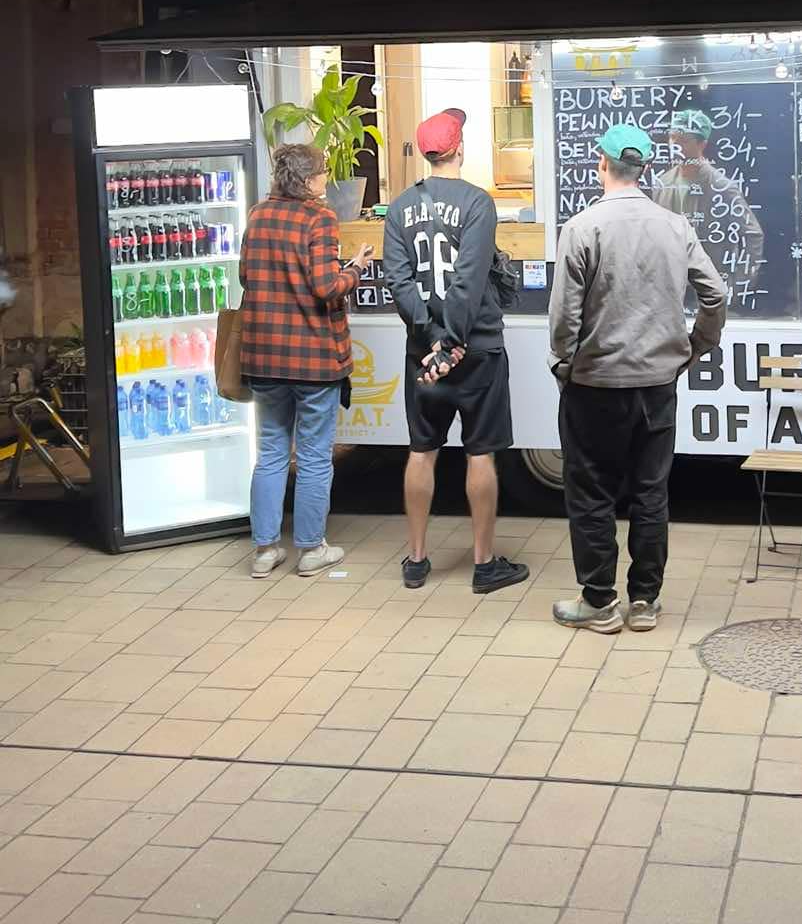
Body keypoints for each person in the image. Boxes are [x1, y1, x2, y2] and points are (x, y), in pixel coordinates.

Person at [549, 122, 728, 632]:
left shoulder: (582, 228)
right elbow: (715, 295)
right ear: (646, 168)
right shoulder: (675, 226)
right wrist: (695, 347)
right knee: (651, 492)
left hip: (595, 384)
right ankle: (645, 602)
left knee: (591, 493)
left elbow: (564, 316)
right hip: (657, 384)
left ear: (601, 164)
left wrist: (565, 362)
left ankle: (599, 602)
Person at [382, 106, 529, 595]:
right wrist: (454, 342)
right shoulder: (477, 203)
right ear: (459, 149)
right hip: (477, 346)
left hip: (421, 356)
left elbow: (398, 281)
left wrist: (429, 340)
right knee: (480, 453)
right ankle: (484, 564)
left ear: (426, 155)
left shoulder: (399, 208)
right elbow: (468, 279)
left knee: (422, 451)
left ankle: (417, 559)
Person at [239, 143, 374, 580]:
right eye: (322, 172)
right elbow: (325, 286)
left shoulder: (259, 214)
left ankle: (264, 550)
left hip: (264, 358)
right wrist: (355, 269)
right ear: (309, 180)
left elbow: (246, 275)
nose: (325, 179)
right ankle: (312, 548)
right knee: (315, 455)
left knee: (272, 453)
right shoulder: (320, 218)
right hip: (314, 360)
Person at [652, 107, 764, 298]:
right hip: (670, 287)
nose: (675, 145)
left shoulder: (721, 186)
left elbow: (752, 235)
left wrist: (735, 288)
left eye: (684, 140)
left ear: (702, 144)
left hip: (707, 287)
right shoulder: (663, 183)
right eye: (672, 138)